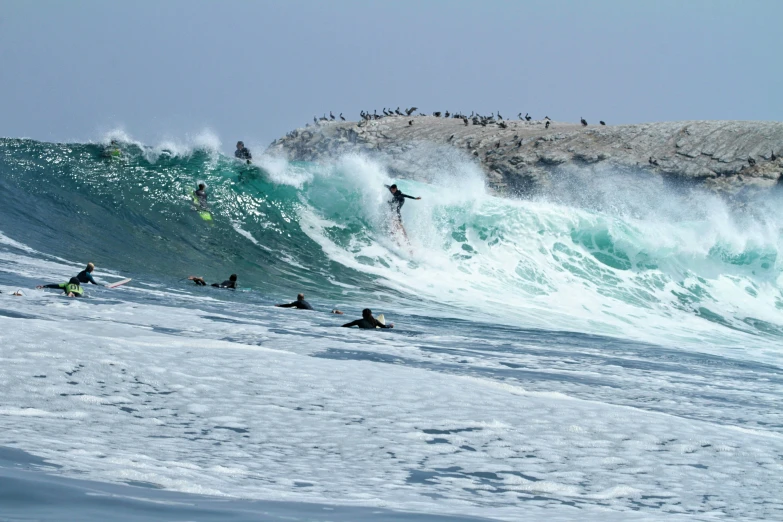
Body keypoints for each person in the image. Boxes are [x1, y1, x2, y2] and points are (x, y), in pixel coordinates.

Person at [275, 293, 344, 314]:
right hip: (311, 311)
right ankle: (334, 311)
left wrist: (280, 305)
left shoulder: (298, 302)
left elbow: (289, 305)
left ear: (298, 297)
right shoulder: (305, 302)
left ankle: (334, 312)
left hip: (309, 312)